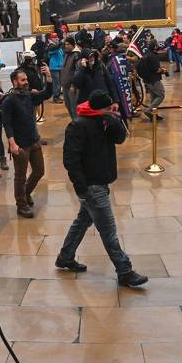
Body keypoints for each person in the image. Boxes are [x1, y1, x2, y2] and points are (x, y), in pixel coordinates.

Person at [56, 89, 148, 287]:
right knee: (108, 231)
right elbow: (70, 159)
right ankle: (125, 270)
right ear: (99, 109)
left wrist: (114, 119)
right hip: (91, 186)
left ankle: (65, 256)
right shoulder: (78, 126)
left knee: (82, 221)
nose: (112, 110)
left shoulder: (104, 122)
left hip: (100, 182)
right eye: (109, 108)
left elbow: (121, 138)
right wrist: (81, 188)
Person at [1, 65, 53, 218]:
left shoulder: (30, 95)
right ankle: (21, 205)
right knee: (20, 176)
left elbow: (47, 94)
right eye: (22, 80)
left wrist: (49, 78)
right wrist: (12, 142)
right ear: (14, 82)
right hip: (20, 144)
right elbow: (7, 122)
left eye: (26, 79)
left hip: (34, 140)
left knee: (39, 171)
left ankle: (25, 193)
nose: (26, 82)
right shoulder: (9, 100)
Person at [136, 38, 166, 120]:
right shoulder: (153, 56)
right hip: (153, 80)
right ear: (155, 46)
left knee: (154, 97)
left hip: (147, 79)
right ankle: (149, 111)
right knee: (161, 95)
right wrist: (163, 70)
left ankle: (153, 115)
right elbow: (156, 69)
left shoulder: (146, 54)